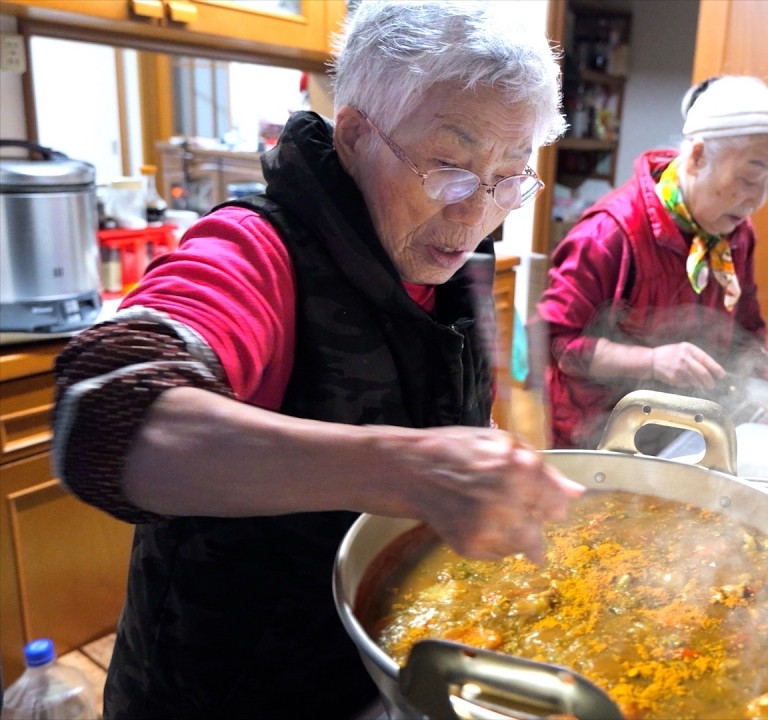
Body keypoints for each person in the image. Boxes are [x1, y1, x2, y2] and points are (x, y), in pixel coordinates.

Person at [50, 3, 582, 717]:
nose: (474, 212)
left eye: (509, 177)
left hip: (373, 677)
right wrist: (410, 469)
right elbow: (101, 412)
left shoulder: (454, 263)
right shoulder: (257, 251)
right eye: (451, 165)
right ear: (358, 134)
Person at [535, 75, 768, 450]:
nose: (758, 200)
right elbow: (554, 342)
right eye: (750, 177)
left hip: (690, 429)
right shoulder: (610, 233)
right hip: (601, 437)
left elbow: (748, 330)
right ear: (699, 155)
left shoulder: (736, 236)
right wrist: (651, 361)